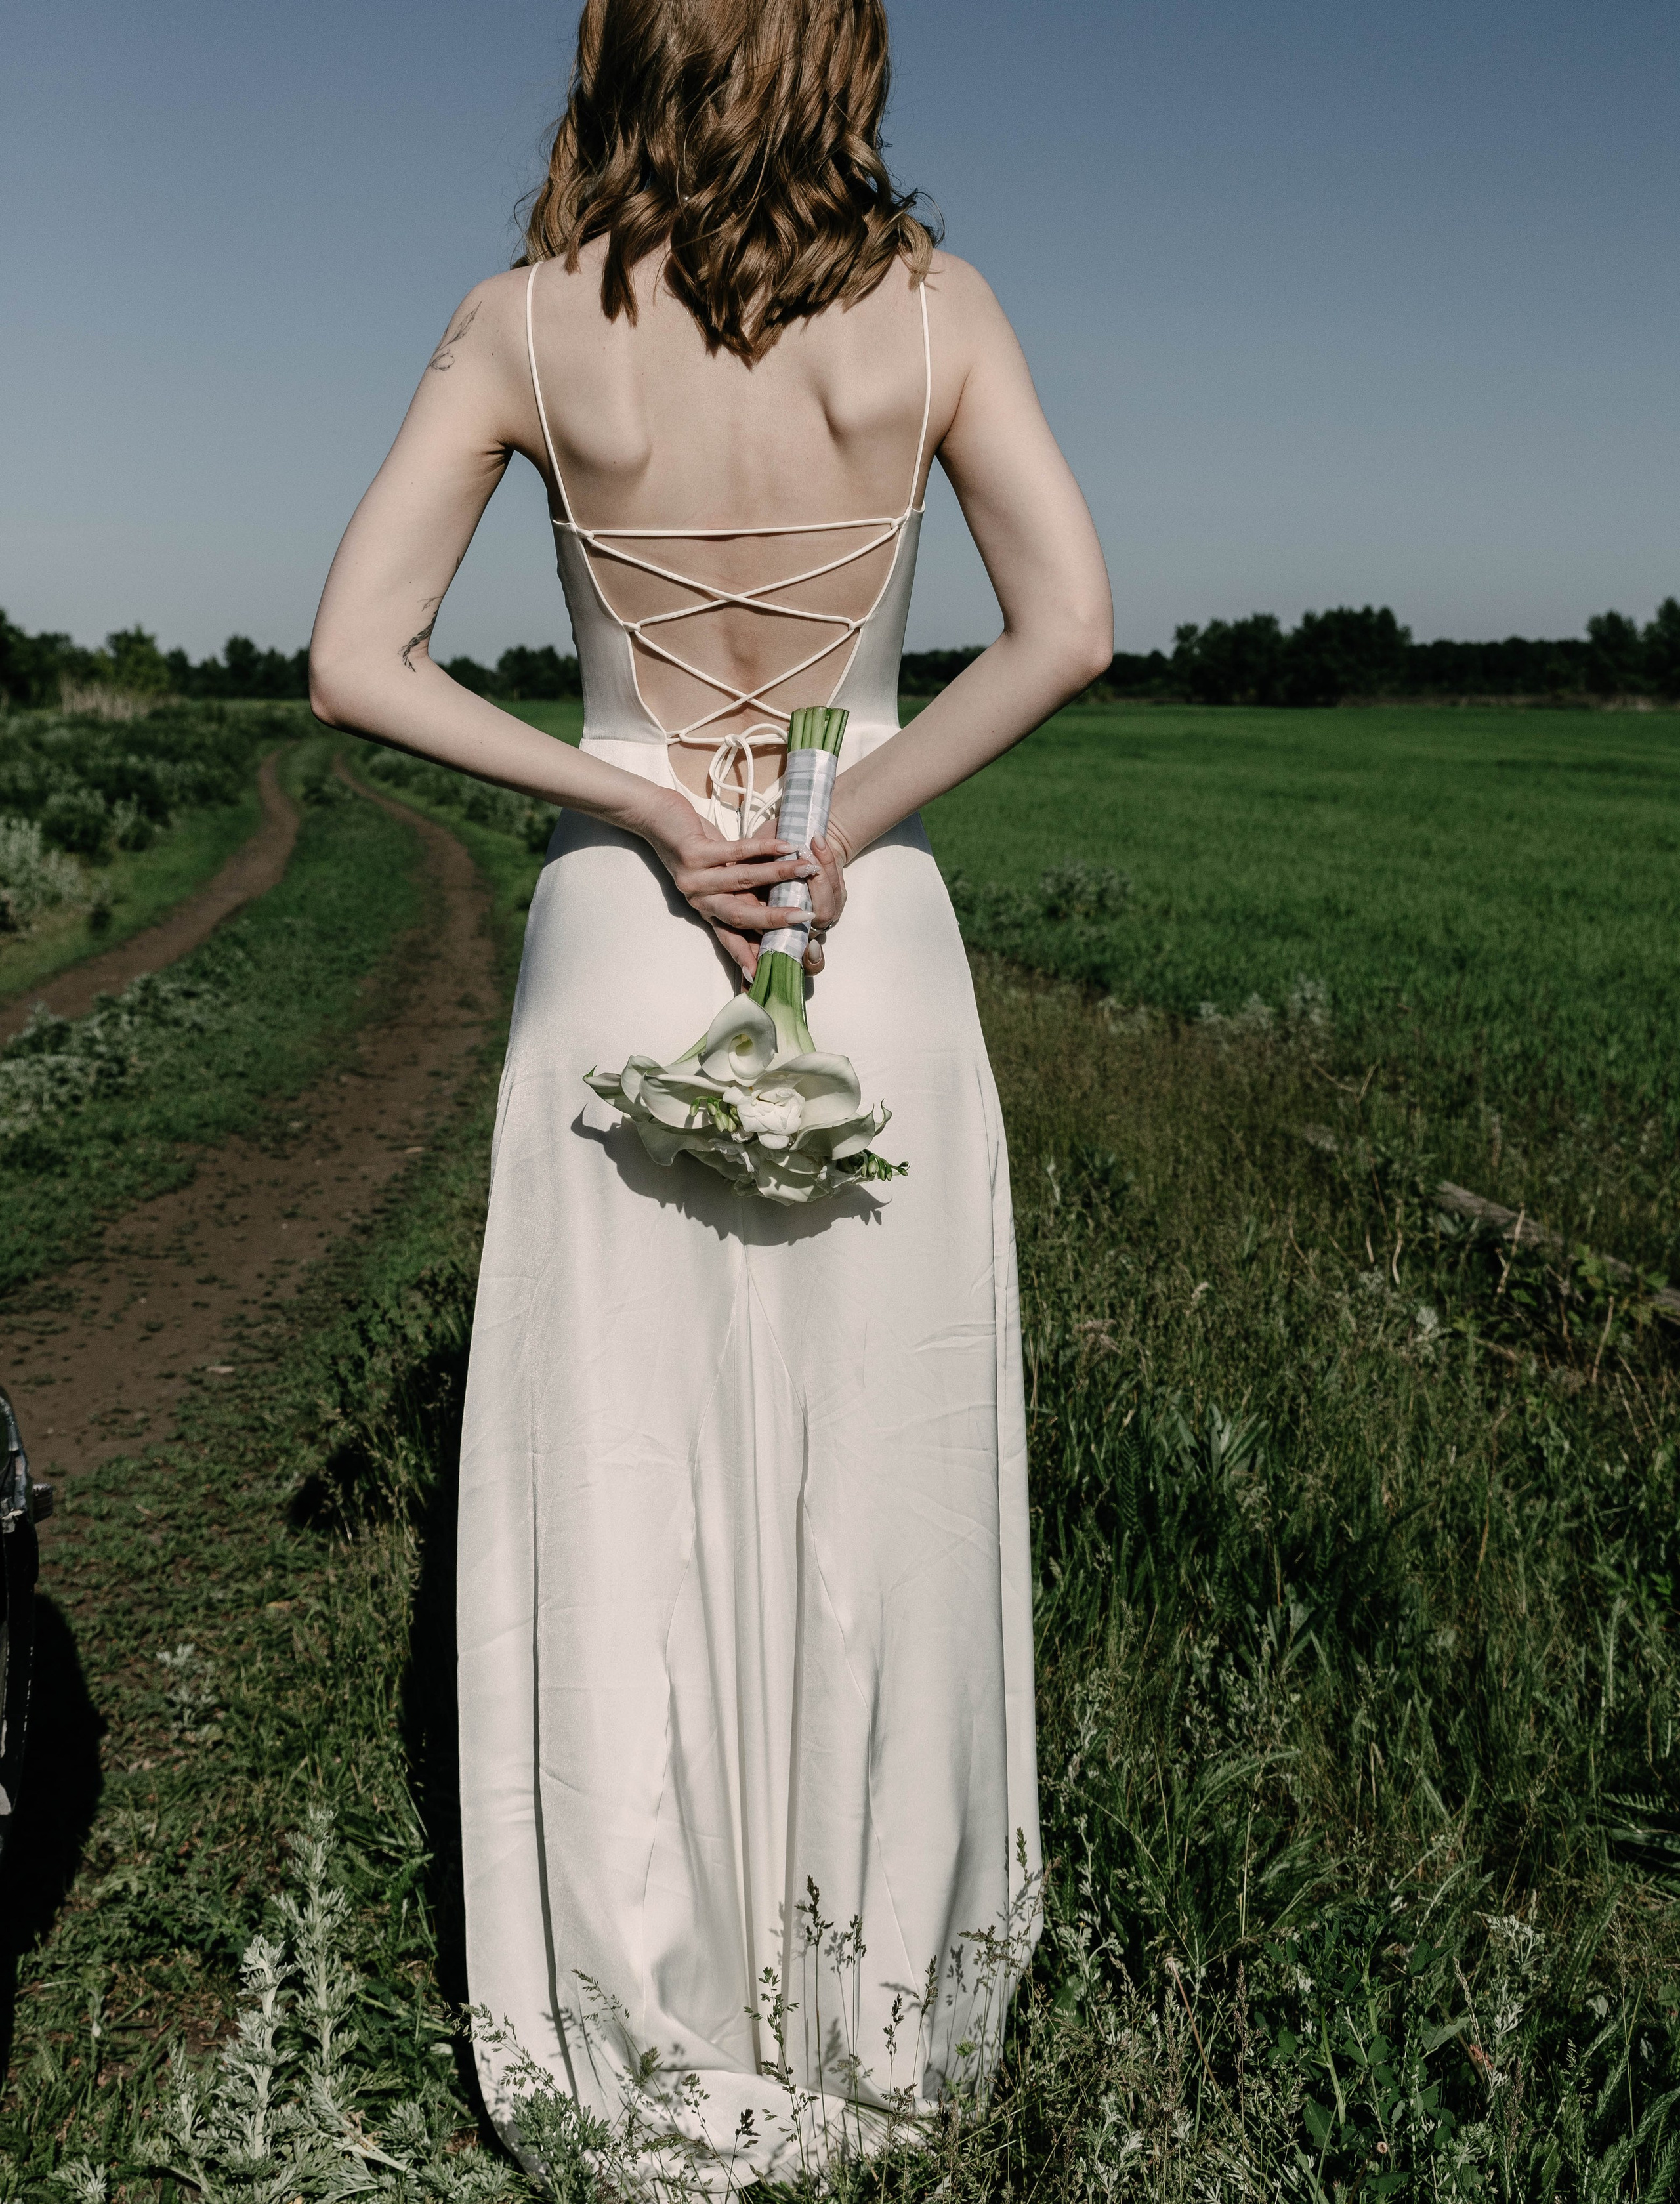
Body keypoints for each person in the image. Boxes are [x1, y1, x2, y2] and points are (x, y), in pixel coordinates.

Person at [310, 0, 1112, 2185]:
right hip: (869, 937)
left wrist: (639, 807)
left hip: (619, 923)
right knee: (888, 1456)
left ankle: (646, 2009)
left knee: (627, 1461)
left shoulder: (521, 330)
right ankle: (889, 1997)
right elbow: (1071, 626)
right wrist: (839, 828)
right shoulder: (933, 318)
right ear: (838, 60)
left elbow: (352, 660)